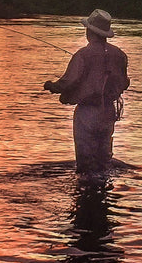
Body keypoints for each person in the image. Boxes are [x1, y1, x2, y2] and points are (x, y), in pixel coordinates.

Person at [43, 10, 130, 174]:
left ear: (89, 31)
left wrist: (51, 86)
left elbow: (68, 82)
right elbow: (124, 83)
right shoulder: (120, 55)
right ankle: (102, 193)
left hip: (87, 112)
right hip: (108, 112)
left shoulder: (83, 55)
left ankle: (86, 194)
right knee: (104, 161)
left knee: (84, 164)